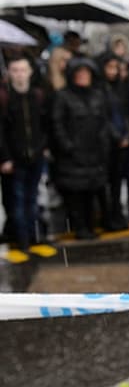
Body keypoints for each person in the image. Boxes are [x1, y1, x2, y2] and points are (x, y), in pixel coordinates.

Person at [52, 58, 117, 239]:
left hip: (95, 152)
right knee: (77, 195)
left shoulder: (97, 95)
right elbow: (57, 124)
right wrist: (67, 146)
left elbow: (104, 120)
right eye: (79, 74)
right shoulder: (63, 96)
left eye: (86, 73)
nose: (82, 77)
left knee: (93, 191)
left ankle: (91, 226)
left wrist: (104, 143)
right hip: (74, 154)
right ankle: (80, 227)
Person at [0, 56, 50, 250]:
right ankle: (22, 239)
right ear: (9, 73)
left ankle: (34, 234)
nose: (20, 74)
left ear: (30, 72)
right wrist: (5, 158)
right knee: (17, 200)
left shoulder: (37, 96)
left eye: (23, 70)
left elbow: (44, 126)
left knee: (33, 198)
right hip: (15, 159)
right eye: (15, 70)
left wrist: (43, 148)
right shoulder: (5, 98)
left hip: (35, 157)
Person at [98, 51, 129, 230]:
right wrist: (117, 136)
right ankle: (108, 216)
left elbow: (125, 113)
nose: (113, 71)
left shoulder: (120, 87)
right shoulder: (99, 89)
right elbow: (103, 117)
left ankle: (117, 213)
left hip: (122, 140)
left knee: (118, 181)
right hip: (107, 142)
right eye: (109, 67)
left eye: (115, 68)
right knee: (107, 182)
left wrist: (126, 134)